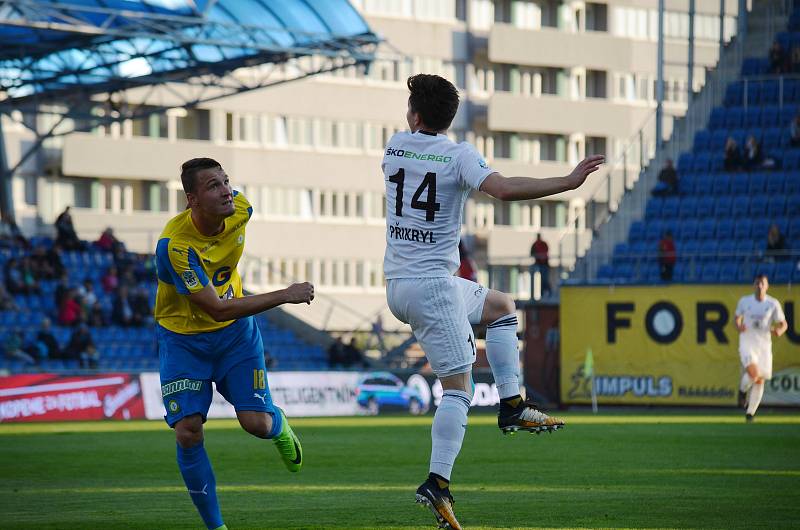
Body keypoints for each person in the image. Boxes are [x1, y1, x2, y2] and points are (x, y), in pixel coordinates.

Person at [382, 74, 601, 530]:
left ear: (415, 114)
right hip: (433, 287)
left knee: (502, 306)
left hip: (400, 283)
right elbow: (502, 189)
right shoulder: (458, 154)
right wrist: (567, 181)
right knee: (458, 390)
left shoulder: (395, 146)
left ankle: (512, 404)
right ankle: (437, 482)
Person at [154, 157, 314, 530]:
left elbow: (226, 315)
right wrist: (285, 294)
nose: (226, 190)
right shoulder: (176, 247)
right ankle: (216, 527)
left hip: (235, 338)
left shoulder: (240, 207)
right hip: (184, 340)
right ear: (191, 199)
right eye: (213, 186)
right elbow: (216, 309)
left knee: (256, 424)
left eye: (226, 182)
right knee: (188, 430)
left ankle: (278, 424)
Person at [735, 274, 788, 422]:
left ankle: (750, 414)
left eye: (762, 283)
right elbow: (736, 318)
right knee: (754, 374)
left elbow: (783, 324)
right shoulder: (745, 302)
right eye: (757, 283)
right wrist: (739, 326)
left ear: (767, 286)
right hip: (747, 343)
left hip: (764, 345)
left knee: (760, 380)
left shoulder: (772, 304)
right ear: (753, 285)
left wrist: (779, 330)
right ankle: (741, 391)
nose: (759, 286)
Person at [530, 233, 551, 298]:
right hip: (539, 264)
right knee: (542, 280)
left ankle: (548, 293)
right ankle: (543, 294)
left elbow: (546, 251)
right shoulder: (535, 244)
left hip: (544, 264)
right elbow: (531, 253)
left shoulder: (543, 244)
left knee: (544, 279)